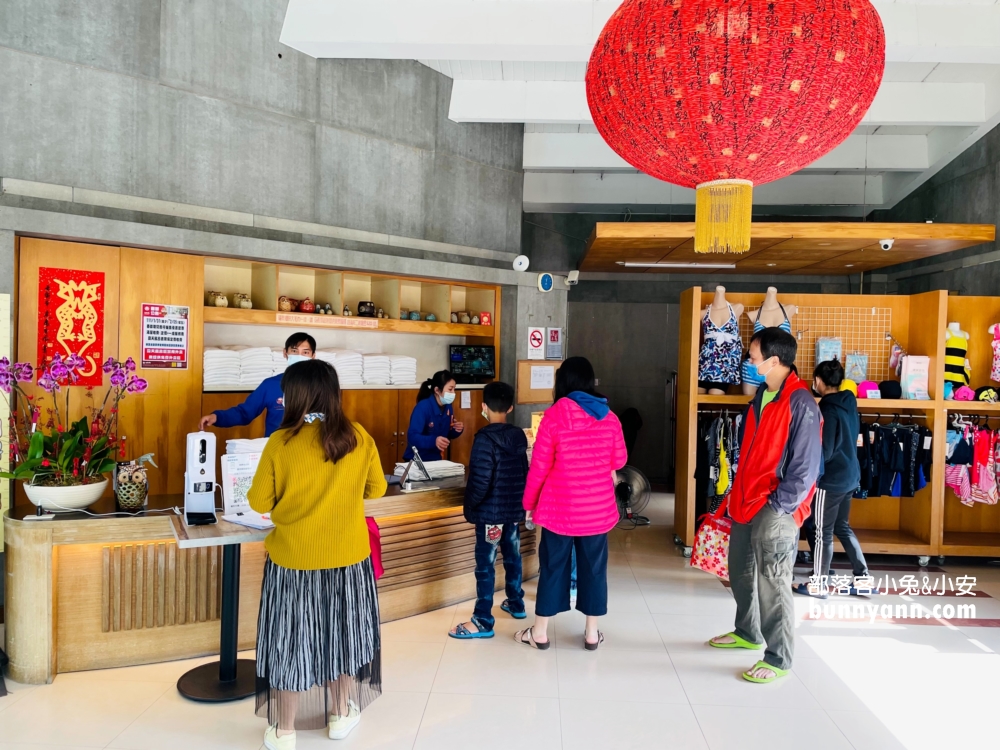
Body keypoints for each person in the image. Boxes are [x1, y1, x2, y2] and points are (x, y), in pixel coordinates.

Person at [248, 359, 387, 749]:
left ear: (294, 396)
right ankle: (341, 715)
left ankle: (285, 730)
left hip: (293, 561)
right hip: (349, 559)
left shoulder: (281, 442)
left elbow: (258, 499)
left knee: (290, 641)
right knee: (344, 635)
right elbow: (376, 490)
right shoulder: (357, 436)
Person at [709, 328, 822, 684]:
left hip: (775, 507)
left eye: (754, 357)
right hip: (745, 500)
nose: (749, 362)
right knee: (740, 571)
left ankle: (779, 656)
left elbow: (805, 469)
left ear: (774, 360)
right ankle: (748, 631)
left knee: (772, 581)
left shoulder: (800, 401)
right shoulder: (762, 394)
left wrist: (778, 506)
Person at [516, 357, 627, 651]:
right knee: (594, 569)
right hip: (596, 511)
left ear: (562, 383)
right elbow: (619, 461)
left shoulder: (553, 417)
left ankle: (540, 633)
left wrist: (529, 504)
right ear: (591, 382)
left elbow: (539, 467)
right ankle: (591, 634)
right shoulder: (610, 417)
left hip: (558, 510)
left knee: (552, 567)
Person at [448, 381, 529, 639]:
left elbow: (480, 482)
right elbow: (524, 475)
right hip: (511, 514)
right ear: (511, 407)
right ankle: (516, 602)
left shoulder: (484, 440)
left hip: (490, 517)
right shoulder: (519, 437)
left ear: (484, 407)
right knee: (513, 557)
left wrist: (470, 507)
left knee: (486, 565)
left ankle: (483, 619)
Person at [794, 359, 868, 597]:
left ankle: (818, 583)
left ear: (817, 381)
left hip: (832, 479)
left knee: (820, 530)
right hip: (850, 475)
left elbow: (825, 450)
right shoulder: (850, 402)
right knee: (841, 527)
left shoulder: (827, 409)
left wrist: (810, 472)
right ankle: (862, 577)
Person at [199, 332, 316, 437]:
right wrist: (217, 417)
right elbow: (245, 413)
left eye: (305, 352)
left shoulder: (323, 386)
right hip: (275, 450)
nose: (299, 356)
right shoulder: (271, 385)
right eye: (294, 351)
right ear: (285, 353)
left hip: (311, 451)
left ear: (313, 356)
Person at [402, 370, 465, 460]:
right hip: (417, 460)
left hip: (435, 459)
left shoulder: (448, 407)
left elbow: (446, 433)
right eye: (450, 389)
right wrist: (434, 441)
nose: (453, 393)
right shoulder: (423, 407)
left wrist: (456, 430)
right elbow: (412, 437)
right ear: (437, 390)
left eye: (454, 389)